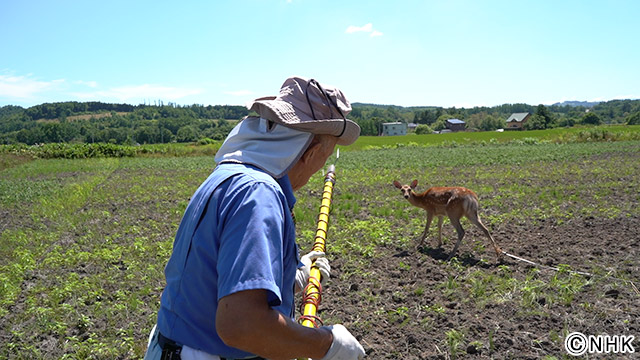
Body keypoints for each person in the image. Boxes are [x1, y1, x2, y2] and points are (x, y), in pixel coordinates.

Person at [144, 76, 366, 360]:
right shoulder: (259, 194)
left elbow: (217, 278)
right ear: (310, 153)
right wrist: (326, 344)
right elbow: (241, 325)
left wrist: (294, 276)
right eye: (327, 152)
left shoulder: (230, 177)